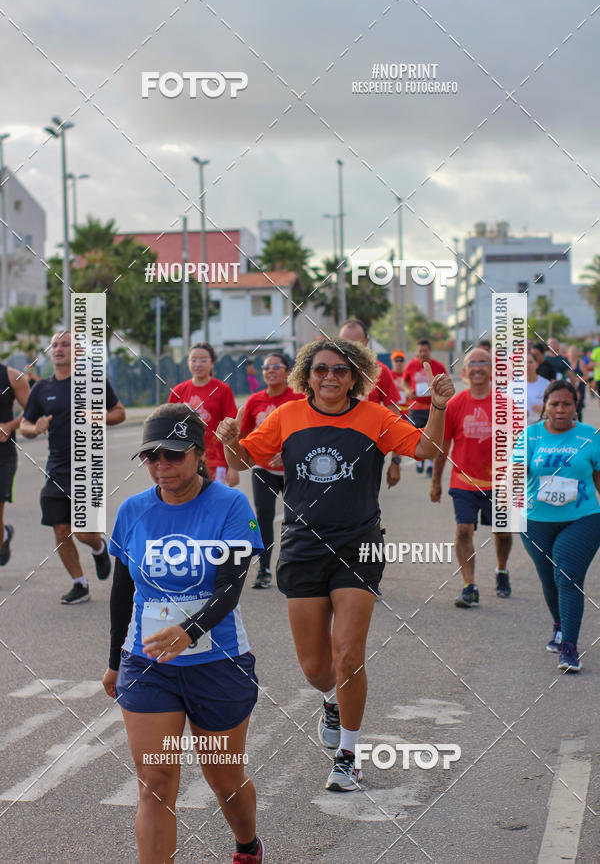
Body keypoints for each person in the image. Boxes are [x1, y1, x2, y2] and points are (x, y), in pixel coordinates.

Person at [217, 337, 454, 791]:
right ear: (306, 375)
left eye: (341, 370)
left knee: (348, 655)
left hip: (357, 548)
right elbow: (245, 460)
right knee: (315, 668)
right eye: (321, 369)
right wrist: (230, 443)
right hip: (303, 547)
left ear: (356, 377)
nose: (330, 377)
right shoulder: (286, 416)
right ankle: (328, 699)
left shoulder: (375, 417)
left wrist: (438, 408)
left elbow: (425, 451)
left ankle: (349, 753)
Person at [102, 405, 264, 863]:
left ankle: (248, 846)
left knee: (224, 778)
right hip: (148, 665)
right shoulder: (133, 511)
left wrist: (188, 632)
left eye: (172, 455)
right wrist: (116, 660)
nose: (161, 466)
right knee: (155, 783)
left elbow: (230, 588)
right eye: (151, 457)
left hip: (218, 663)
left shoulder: (230, 506)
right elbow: (122, 593)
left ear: (198, 453)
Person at [21, 331, 126, 604]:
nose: (58, 348)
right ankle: (80, 584)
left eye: (65, 344)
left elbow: (119, 412)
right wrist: (35, 428)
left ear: (78, 352)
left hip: (87, 468)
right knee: (59, 529)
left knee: (83, 532)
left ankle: (99, 546)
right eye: (54, 344)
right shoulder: (41, 389)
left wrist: (99, 416)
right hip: (56, 468)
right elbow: (25, 424)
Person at [519, 381, 600, 672]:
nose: (561, 409)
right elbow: (514, 477)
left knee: (567, 574)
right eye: (555, 404)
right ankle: (558, 624)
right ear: (545, 405)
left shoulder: (590, 436)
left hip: (583, 518)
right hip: (536, 520)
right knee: (548, 578)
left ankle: (569, 647)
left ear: (576, 405)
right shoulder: (530, 436)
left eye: (567, 404)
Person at [430, 348, 513, 606]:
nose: (477, 367)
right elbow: (443, 446)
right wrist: (435, 481)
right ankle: (469, 585)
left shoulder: (506, 405)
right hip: (463, 482)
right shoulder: (455, 404)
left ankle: (501, 570)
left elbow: (518, 448)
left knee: (503, 534)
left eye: (483, 362)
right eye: (471, 363)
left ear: (491, 369)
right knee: (464, 530)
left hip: (498, 483)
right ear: (464, 371)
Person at [240, 353, 304, 589]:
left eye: (276, 366)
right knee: (263, 516)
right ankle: (264, 568)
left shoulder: (298, 398)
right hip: (263, 468)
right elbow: (245, 435)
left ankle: (293, 567)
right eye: (266, 367)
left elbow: (309, 433)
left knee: (295, 519)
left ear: (288, 372)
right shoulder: (255, 400)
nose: (270, 370)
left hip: (294, 469)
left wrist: (291, 452)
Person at [338, 318, 403, 488]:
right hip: (333, 449)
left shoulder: (380, 371)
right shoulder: (328, 372)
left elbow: (395, 417)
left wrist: (396, 461)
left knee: (364, 506)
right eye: (344, 343)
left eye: (355, 343)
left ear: (366, 342)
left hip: (369, 452)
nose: (349, 348)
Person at [168, 343, 239, 487]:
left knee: (213, 502)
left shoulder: (223, 390)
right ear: (188, 362)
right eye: (193, 360)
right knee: (188, 502)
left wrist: (233, 466)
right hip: (185, 460)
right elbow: (168, 427)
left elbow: (232, 430)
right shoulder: (178, 391)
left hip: (217, 460)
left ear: (212, 363)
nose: (198, 364)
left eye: (203, 360)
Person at [402, 338, 448, 476]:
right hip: (416, 407)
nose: (422, 353)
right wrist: (408, 390)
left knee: (431, 435)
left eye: (425, 351)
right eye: (420, 351)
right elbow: (404, 381)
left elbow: (445, 382)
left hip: (432, 407)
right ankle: (420, 460)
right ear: (417, 351)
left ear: (430, 351)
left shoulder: (438, 366)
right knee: (417, 434)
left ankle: (429, 464)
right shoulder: (411, 366)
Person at [0, 361, 30, 566]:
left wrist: (10, 426)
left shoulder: (12, 377)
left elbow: (34, 411)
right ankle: (3, 536)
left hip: (3, 455)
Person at [525, 350, 549, 425]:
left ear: (537, 364)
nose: (527, 365)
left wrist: (543, 411)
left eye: (530, 362)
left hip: (540, 427)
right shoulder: (513, 385)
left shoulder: (546, 384)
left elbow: (554, 410)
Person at [566, 345, 586, 421]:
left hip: (579, 388)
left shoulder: (580, 363)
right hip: (568, 387)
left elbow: (586, 376)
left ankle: (579, 425)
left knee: (578, 408)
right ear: (568, 353)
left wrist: (578, 379)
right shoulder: (565, 362)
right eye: (571, 351)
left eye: (574, 351)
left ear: (577, 353)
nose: (573, 353)